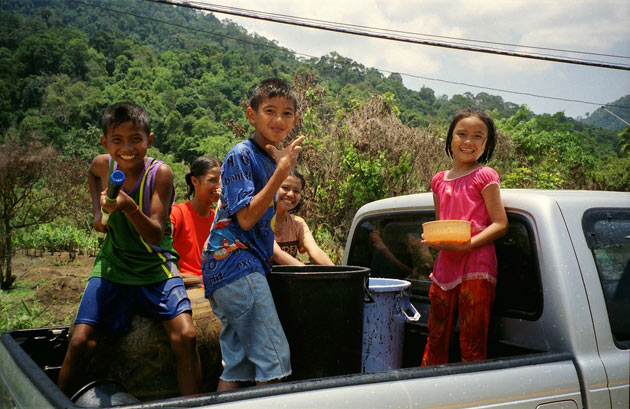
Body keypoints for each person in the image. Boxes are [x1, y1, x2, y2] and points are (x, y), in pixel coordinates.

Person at [57, 102, 202, 397]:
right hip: (113, 264)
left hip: (154, 268)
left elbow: (155, 233)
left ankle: (197, 404)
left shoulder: (159, 174)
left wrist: (129, 206)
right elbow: (92, 173)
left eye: (136, 139)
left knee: (186, 337)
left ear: (149, 140)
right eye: (117, 140)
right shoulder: (103, 164)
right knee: (80, 342)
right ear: (105, 142)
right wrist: (98, 214)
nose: (127, 148)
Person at [201, 78, 305, 392]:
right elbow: (245, 218)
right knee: (274, 362)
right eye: (269, 110)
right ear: (251, 115)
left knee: (239, 366)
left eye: (287, 113)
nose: (278, 119)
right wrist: (281, 173)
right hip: (237, 266)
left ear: (295, 120)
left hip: (234, 269)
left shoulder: (268, 157)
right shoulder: (241, 155)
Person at [420, 107, 508, 366]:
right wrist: (433, 241)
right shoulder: (438, 180)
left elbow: (501, 224)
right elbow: (441, 223)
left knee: (472, 342)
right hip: (445, 265)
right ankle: (428, 390)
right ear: (450, 138)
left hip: (477, 265)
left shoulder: (485, 175)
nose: (469, 142)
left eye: (478, 136)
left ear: (486, 143)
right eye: (462, 134)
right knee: (435, 337)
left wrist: (468, 244)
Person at [170, 156, 222, 288]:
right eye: (212, 180)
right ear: (194, 181)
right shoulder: (177, 213)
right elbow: (159, 252)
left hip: (213, 284)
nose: (219, 186)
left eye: (222, 181)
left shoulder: (218, 218)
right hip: (183, 285)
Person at [273, 169, 334, 265]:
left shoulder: (298, 223)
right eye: (285, 188)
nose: (291, 194)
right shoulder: (261, 221)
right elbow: (277, 254)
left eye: (296, 191)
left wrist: (336, 272)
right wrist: (305, 271)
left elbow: (315, 250)